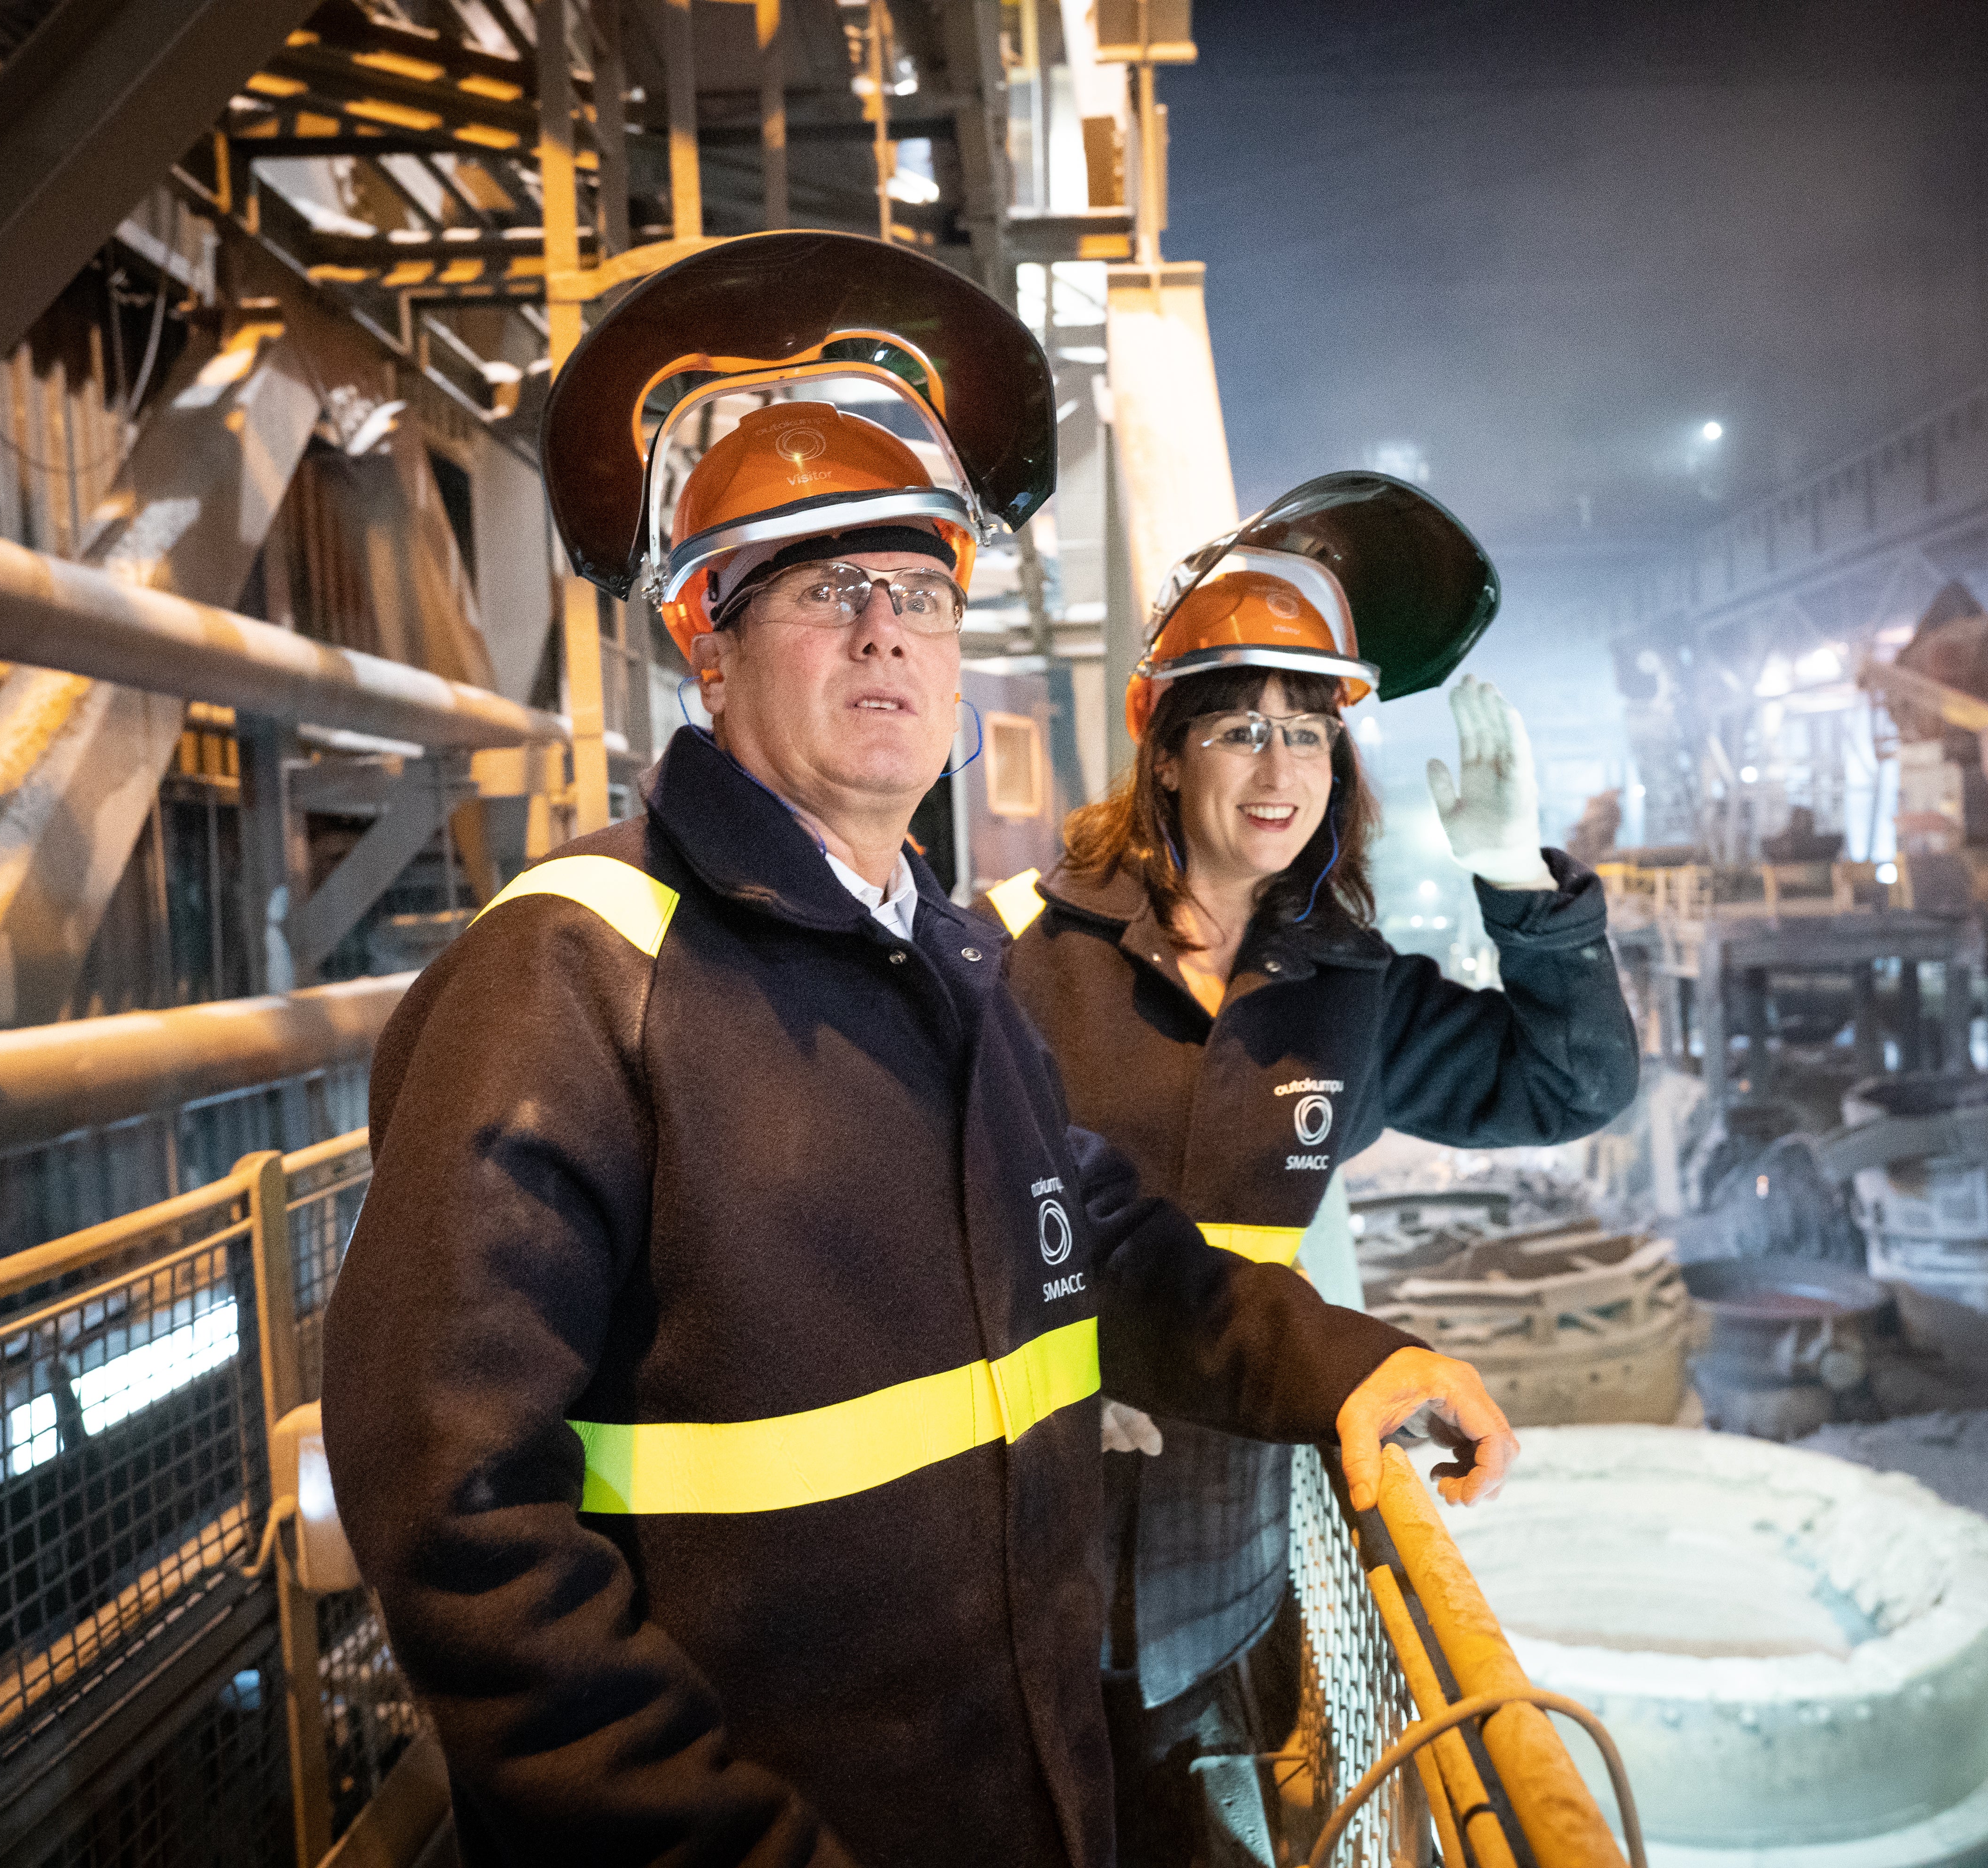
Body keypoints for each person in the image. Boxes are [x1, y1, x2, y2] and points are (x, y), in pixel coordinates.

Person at [318, 233, 1519, 1868]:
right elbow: (459, 1520)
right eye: (826, 588)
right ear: (709, 643)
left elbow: (1097, 1232)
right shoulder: (577, 970)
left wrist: (1350, 1367)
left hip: (1017, 1793)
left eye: (924, 595)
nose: (889, 633)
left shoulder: (945, 961)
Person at [991, 473, 1641, 1864]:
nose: (1283, 770)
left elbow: (1573, 1084)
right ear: (1164, 754)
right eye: (1240, 730)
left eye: (1311, 732)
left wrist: (1518, 880)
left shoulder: (1344, 997)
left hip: (1220, 1590)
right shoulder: (1016, 965)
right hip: (1008, 1579)